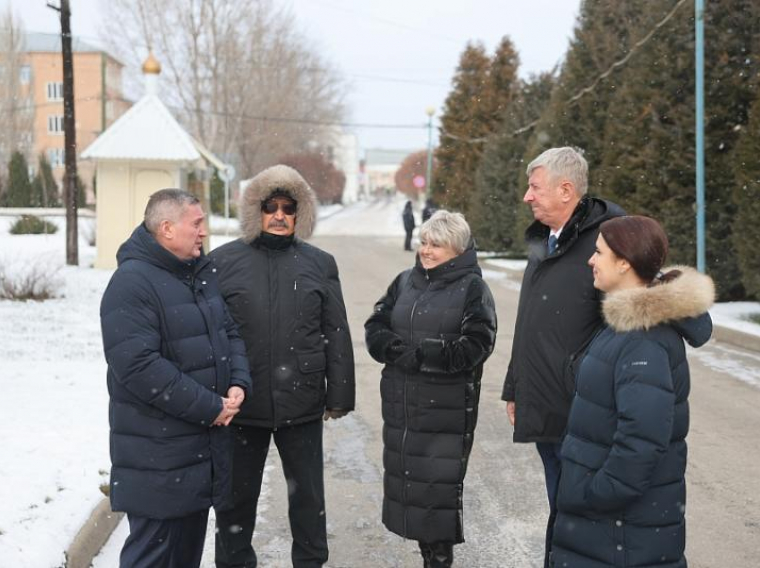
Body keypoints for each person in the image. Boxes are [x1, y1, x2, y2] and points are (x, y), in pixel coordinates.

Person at [209, 165, 356, 568]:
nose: (278, 215)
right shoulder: (223, 262)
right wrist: (211, 393)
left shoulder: (319, 263)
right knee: (236, 500)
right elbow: (211, 333)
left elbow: (335, 330)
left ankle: (310, 562)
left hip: (301, 401)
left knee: (307, 498)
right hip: (242, 402)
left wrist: (339, 395)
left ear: (299, 213)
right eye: (270, 207)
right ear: (255, 211)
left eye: (288, 208)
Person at [100, 189, 252, 568]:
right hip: (158, 460)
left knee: (184, 558)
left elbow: (229, 332)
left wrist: (237, 382)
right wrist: (210, 407)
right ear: (167, 228)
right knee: (153, 557)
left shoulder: (198, 274)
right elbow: (139, 366)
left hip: (197, 457)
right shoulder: (131, 283)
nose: (204, 232)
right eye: (196, 223)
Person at [550, 215, 714, 567]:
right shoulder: (624, 326)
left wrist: (597, 493)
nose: (590, 260)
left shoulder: (643, 339)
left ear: (624, 263)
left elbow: (642, 439)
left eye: (598, 253)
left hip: (618, 529)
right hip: (608, 525)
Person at [500, 146, 623, 565]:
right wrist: (515, 386)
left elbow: (622, 331)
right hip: (545, 403)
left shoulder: (609, 243)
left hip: (582, 411)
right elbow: (530, 322)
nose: (527, 197)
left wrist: (589, 388)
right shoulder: (546, 239)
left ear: (566, 190)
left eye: (535, 187)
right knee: (561, 505)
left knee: (581, 517)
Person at [364, 210, 497, 568]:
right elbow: (375, 325)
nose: (426, 250)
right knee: (411, 494)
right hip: (403, 410)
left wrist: (423, 355)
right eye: (424, 242)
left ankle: (437, 561)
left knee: (437, 502)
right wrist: (393, 348)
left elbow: (477, 345)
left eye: (436, 245)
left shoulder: (473, 289)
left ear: (457, 249)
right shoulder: (404, 281)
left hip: (444, 413)